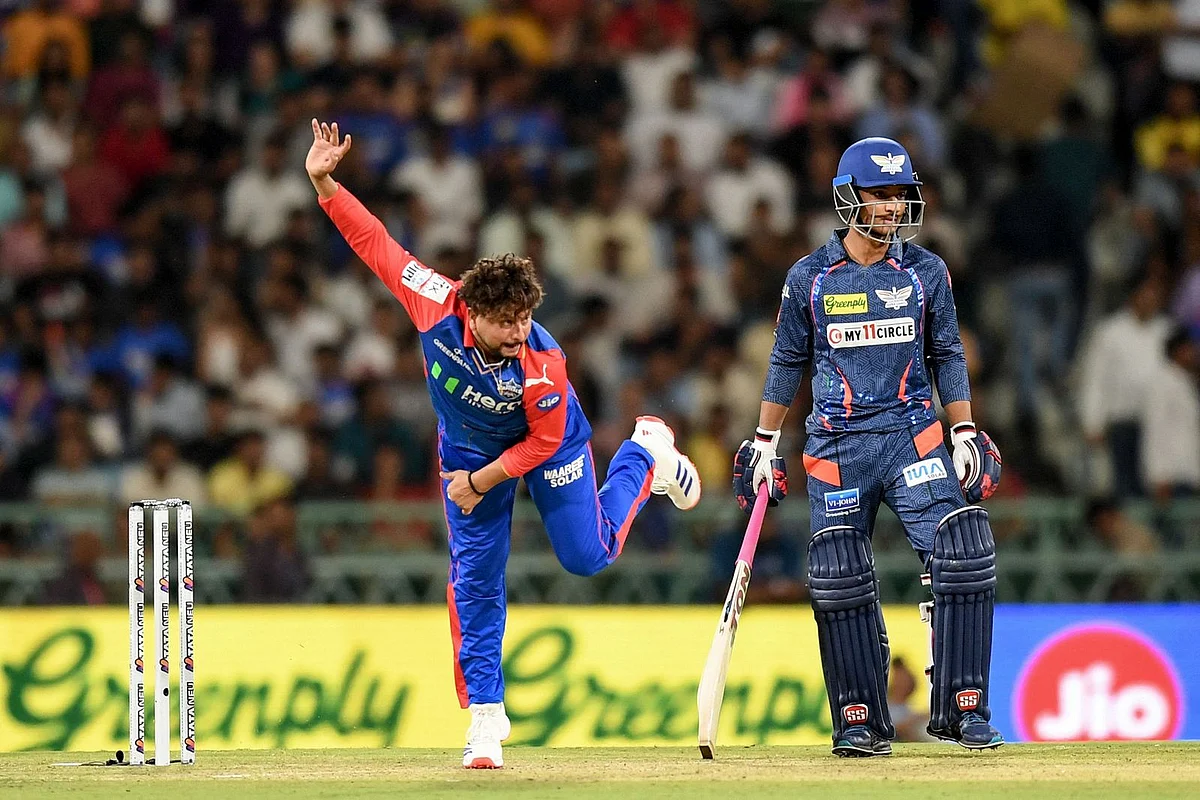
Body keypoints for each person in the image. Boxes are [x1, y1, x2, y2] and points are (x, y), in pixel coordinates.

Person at [305, 118, 701, 769]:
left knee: (587, 558)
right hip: (466, 450)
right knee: (475, 581)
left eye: (526, 318)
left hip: (548, 447)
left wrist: (481, 481)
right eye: (506, 322)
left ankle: (644, 452)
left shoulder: (544, 363)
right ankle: (486, 720)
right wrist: (325, 184)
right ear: (473, 310)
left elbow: (540, 445)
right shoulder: (436, 303)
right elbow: (376, 244)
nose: (519, 333)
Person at [732, 137, 1003, 757]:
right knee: (839, 574)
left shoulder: (926, 271)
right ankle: (859, 718)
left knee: (963, 551)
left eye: (900, 195)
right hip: (838, 445)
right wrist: (765, 441)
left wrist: (963, 429)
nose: (893, 207)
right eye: (880, 195)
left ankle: (964, 707)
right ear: (847, 197)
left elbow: (948, 354)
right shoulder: (809, 278)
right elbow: (786, 361)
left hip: (914, 437)